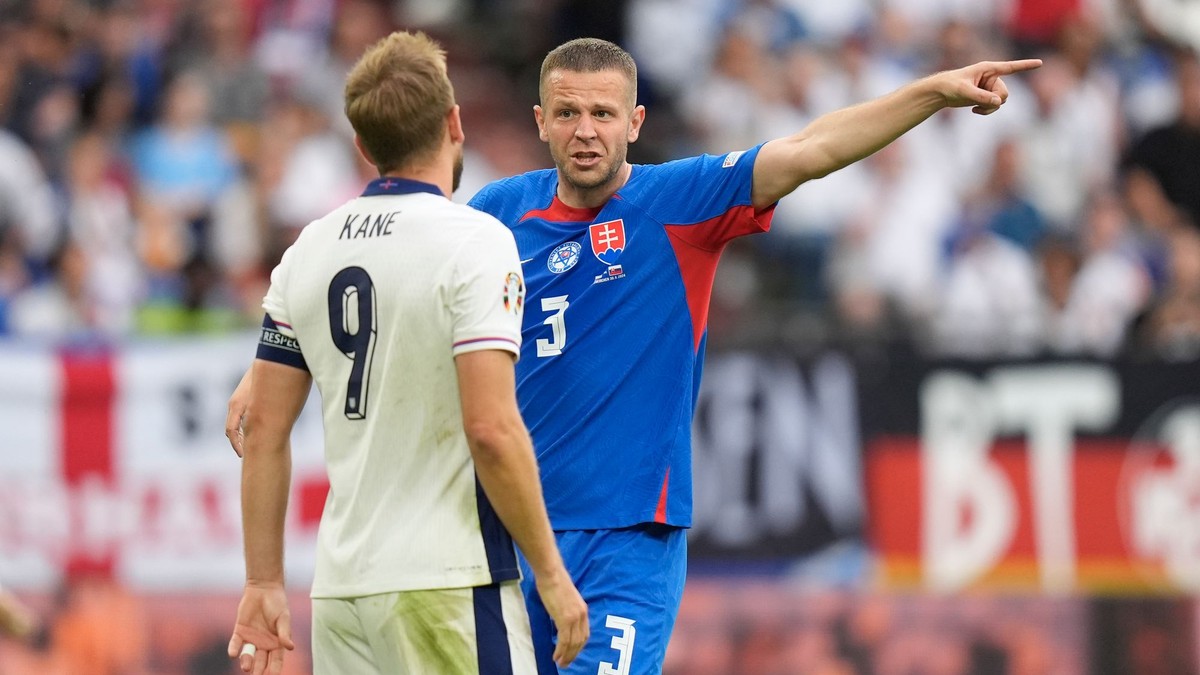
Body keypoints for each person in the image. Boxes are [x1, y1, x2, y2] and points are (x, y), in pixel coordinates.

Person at [229, 37, 1039, 674]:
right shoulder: (490, 215)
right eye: (570, 112)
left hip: (626, 537)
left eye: (605, 114)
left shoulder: (678, 201)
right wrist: (264, 366)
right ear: (541, 121)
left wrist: (932, 92)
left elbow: (812, 148)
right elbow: (397, 268)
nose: (587, 131)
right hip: (505, 538)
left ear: (637, 122)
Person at [224, 30, 587, 675]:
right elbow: (491, 429)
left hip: (342, 592)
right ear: (454, 121)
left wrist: (262, 583)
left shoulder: (307, 250)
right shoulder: (476, 243)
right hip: (451, 580)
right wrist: (552, 575)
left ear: (363, 146)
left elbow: (263, 430)